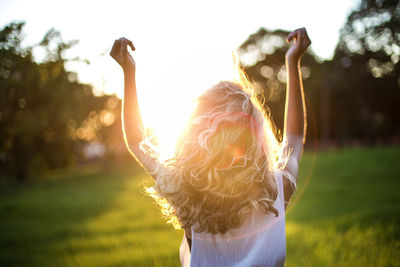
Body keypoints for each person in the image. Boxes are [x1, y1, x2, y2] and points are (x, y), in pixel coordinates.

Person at [110, 27, 311, 267]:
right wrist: (293, 61)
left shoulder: (186, 196)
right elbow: (293, 139)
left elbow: (136, 140)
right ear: (255, 137)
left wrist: (128, 72)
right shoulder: (277, 189)